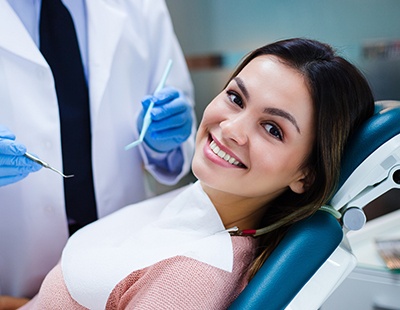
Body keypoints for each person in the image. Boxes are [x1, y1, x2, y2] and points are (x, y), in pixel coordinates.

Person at [3, 38, 374, 309]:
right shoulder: (192, 209)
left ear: (306, 176)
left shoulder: (192, 278)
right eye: (235, 98)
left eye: (273, 129)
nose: (231, 129)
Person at [0, 0, 195, 301]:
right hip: (11, 271)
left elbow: (173, 98)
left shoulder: (141, 7)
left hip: (123, 254)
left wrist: (164, 143)